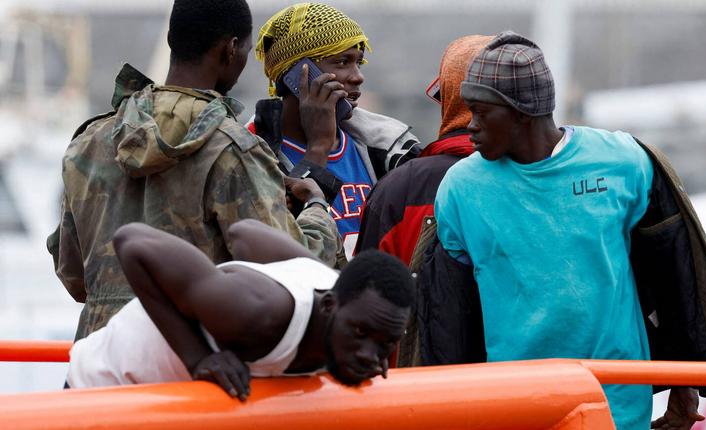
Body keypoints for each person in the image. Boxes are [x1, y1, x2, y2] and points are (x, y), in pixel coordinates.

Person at [434, 31, 706, 429]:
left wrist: (685, 380)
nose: (471, 126)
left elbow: (675, 275)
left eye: (482, 112)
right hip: (510, 404)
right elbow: (450, 313)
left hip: (615, 401)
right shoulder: (460, 189)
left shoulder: (624, 162)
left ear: (521, 112)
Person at [47, 0, 340, 341]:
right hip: (194, 365)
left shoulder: (90, 141)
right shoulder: (232, 150)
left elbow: (73, 277)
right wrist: (317, 204)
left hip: (100, 363)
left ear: (172, 40)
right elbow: (292, 272)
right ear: (231, 49)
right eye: (244, 50)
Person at [67, 220, 414, 399]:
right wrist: (199, 358)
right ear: (328, 306)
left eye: (385, 343)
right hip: (105, 386)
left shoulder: (344, 294)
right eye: (360, 334)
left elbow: (244, 232)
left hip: (169, 400)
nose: (371, 355)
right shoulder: (253, 314)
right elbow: (132, 240)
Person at [354, 35, 492, 366]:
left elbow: (364, 309)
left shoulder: (401, 189)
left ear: (450, 100)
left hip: (416, 397)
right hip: (534, 394)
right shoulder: (552, 181)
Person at [247, 2, 421, 260]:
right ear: (296, 74)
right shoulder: (248, 151)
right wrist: (318, 148)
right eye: (342, 62)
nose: (357, 76)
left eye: (358, 63)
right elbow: (280, 253)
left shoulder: (387, 147)